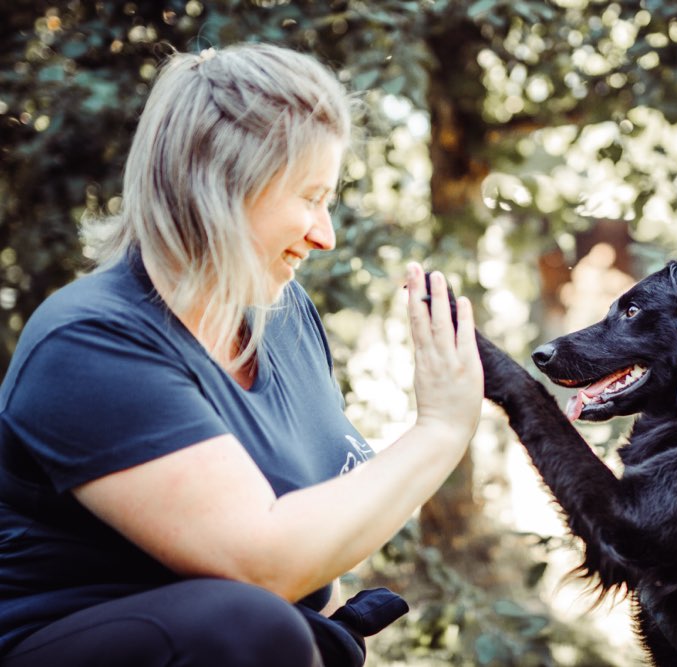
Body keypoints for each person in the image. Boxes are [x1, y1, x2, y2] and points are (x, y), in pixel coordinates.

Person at [0, 42, 484, 666]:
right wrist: (441, 429)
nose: (326, 236)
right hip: (70, 645)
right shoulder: (89, 342)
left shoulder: (284, 315)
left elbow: (312, 559)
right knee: (250, 623)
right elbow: (263, 566)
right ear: (221, 185)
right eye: (309, 197)